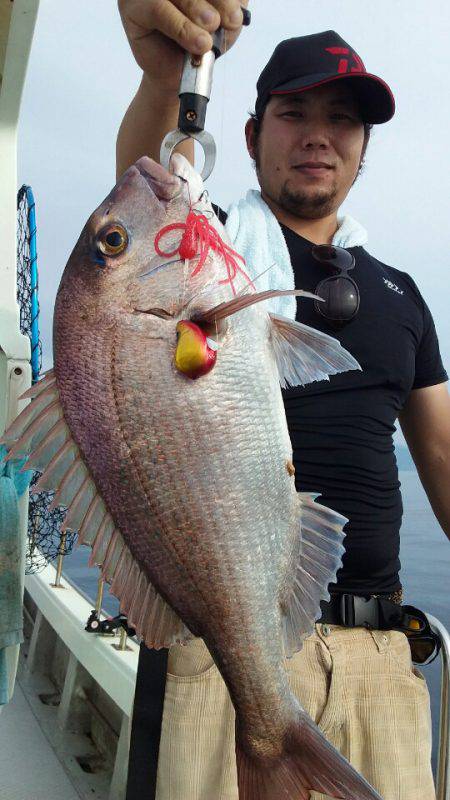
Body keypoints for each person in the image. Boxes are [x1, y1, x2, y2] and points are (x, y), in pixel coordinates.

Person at [116, 3, 450, 799]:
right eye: (293, 112)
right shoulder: (198, 246)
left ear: (363, 149)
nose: (317, 135)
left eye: (342, 120)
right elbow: (136, 192)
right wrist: (168, 79)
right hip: (221, 650)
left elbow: (439, 454)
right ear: (252, 129)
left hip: (380, 662)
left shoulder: (402, 295)